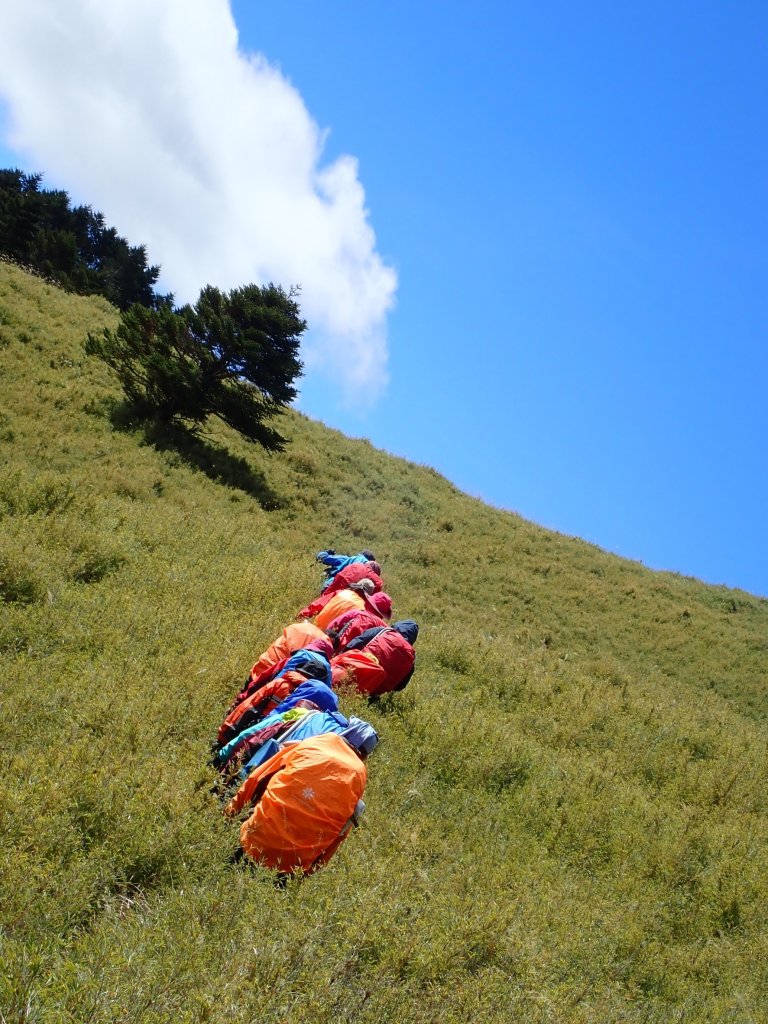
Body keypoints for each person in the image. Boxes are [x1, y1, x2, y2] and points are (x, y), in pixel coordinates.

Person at [225, 730, 376, 875]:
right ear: (366, 756)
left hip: (255, 837)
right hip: (292, 865)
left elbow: (259, 777)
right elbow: (341, 833)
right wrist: (308, 871)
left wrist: (230, 813)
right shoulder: (359, 775)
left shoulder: (316, 743)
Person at [331, 620, 419, 696]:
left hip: (355, 671)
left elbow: (355, 643)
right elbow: (400, 686)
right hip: (373, 691)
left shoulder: (385, 631)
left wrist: (342, 655)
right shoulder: (411, 656)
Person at [298, 561, 384, 619]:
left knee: (326, 601)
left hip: (342, 585)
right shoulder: (378, 582)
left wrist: (326, 594)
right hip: (356, 605)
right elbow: (373, 605)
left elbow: (340, 576)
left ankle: (303, 615)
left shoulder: (357, 565)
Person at [311, 580, 380, 631]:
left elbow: (319, 603)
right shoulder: (362, 608)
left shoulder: (342, 592)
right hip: (328, 635)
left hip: (315, 625)